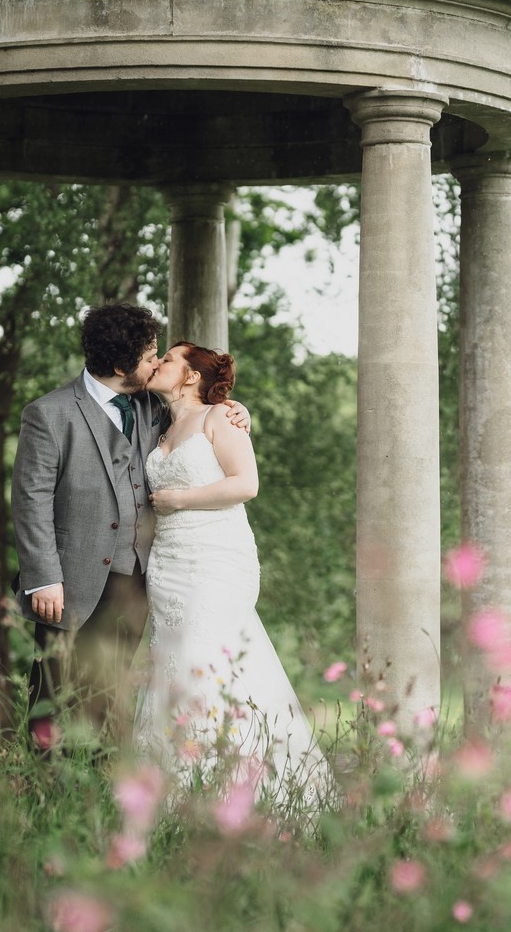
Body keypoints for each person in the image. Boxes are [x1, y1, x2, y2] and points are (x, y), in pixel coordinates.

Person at [11, 305, 244, 754]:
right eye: (150, 355)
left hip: (136, 581)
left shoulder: (151, 405)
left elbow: (199, 420)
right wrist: (43, 577)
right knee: (54, 696)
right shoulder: (49, 414)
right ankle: (43, 795)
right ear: (121, 366)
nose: (157, 363)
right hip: (68, 582)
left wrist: (235, 409)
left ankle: (99, 797)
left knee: (112, 697)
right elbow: (30, 500)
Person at [132, 341, 336, 807]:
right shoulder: (159, 421)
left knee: (209, 665)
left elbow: (247, 483)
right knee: (171, 666)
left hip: (216, 559)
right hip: (168, 564)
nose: (158, 363)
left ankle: (234, 789)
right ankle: (171, 791)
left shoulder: (218, 417)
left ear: (190, 376)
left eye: (168, 360)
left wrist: (179, 499)